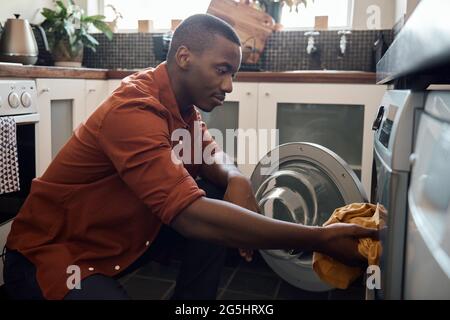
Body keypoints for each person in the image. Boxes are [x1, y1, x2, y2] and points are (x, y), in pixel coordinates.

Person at [3, 14, 377, 300]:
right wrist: (320, 239)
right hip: (50, 257)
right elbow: (189, 216)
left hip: (115, 240)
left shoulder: (182, 106)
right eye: (222, 70)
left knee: (213, 195)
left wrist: (238, 179)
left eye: (233, 73)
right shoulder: (134, 108)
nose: (229, 86)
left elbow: (211, 154)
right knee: (202, 214)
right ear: (184, 57)